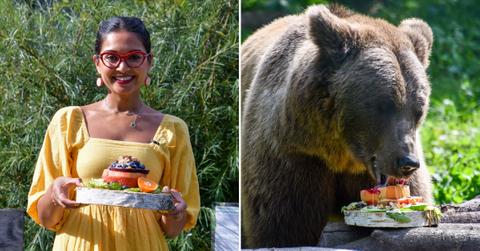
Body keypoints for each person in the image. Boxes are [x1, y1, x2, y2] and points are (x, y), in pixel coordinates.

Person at [27, 16, 200, 250]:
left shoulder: (173, 130)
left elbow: (172, 229)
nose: (122, 67)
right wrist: (55, 192)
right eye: (111, 57)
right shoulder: (68, 121)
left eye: (134, 57)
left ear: (149, 62)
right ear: (97, 62)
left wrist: (176, 212)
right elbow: (47, 219)